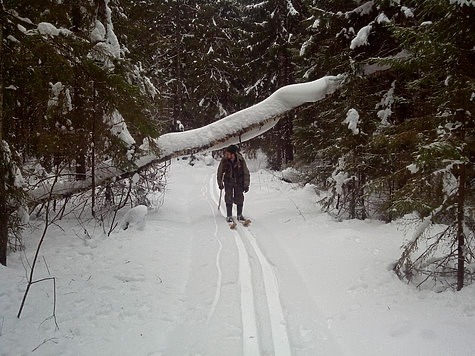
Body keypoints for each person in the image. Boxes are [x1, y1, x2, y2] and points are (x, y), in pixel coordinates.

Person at [217, 145, 250, 222]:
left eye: (228, 154)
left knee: (240, 198)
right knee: (228, 197)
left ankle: (239, 215)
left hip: (239, 181)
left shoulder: (240, 160)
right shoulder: (224, 160)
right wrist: (220, 183)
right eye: (226, 154)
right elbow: (220, 172)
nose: (227, 155)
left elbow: (246, 172)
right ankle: (229, 216)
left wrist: (246, 185)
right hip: (228, 181)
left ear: (233, 154)